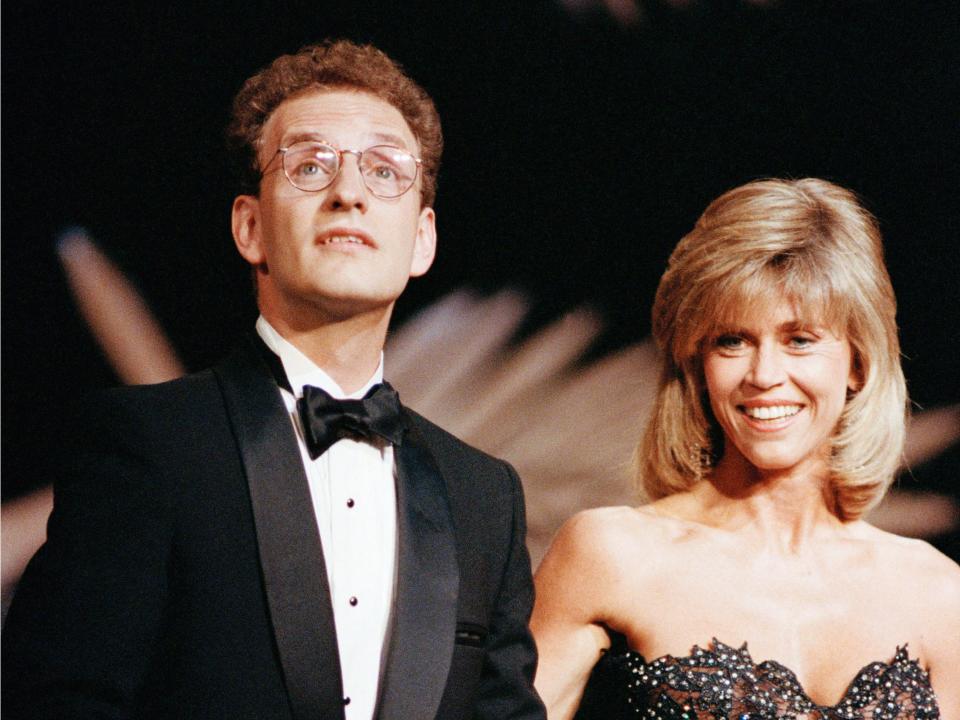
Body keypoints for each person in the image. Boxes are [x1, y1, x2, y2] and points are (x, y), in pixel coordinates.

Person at [2, 40, 545, 720]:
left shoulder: (484, 496)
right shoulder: (149, 444)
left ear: (423, 240)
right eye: (311, 166)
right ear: (250, 226)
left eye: (384, 170)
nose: (349, 193)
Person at [530, 178, 960, 719]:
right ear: (696, 364)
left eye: (800, 340)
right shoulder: (611, 554)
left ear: (858, 362)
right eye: (732, 341)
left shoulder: (939, 593)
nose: (764, 375)